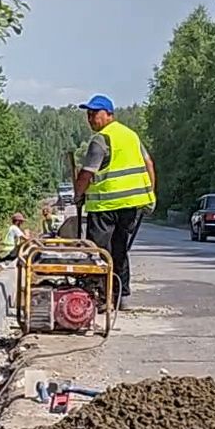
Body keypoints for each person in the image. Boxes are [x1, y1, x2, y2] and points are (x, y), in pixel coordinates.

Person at [71, 94, 155, 305]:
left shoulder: (102, 139)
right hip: (130, 206)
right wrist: (150, 194)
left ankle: (98, 296)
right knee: (119, 249)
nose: (90, 119)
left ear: (109, 114)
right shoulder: (131, 135)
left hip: (105, 206)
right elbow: (149, 164)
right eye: (88, 115)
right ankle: (120, 295)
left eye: (95, 114)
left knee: (98, 252)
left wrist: (79, 194)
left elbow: (87, 172)